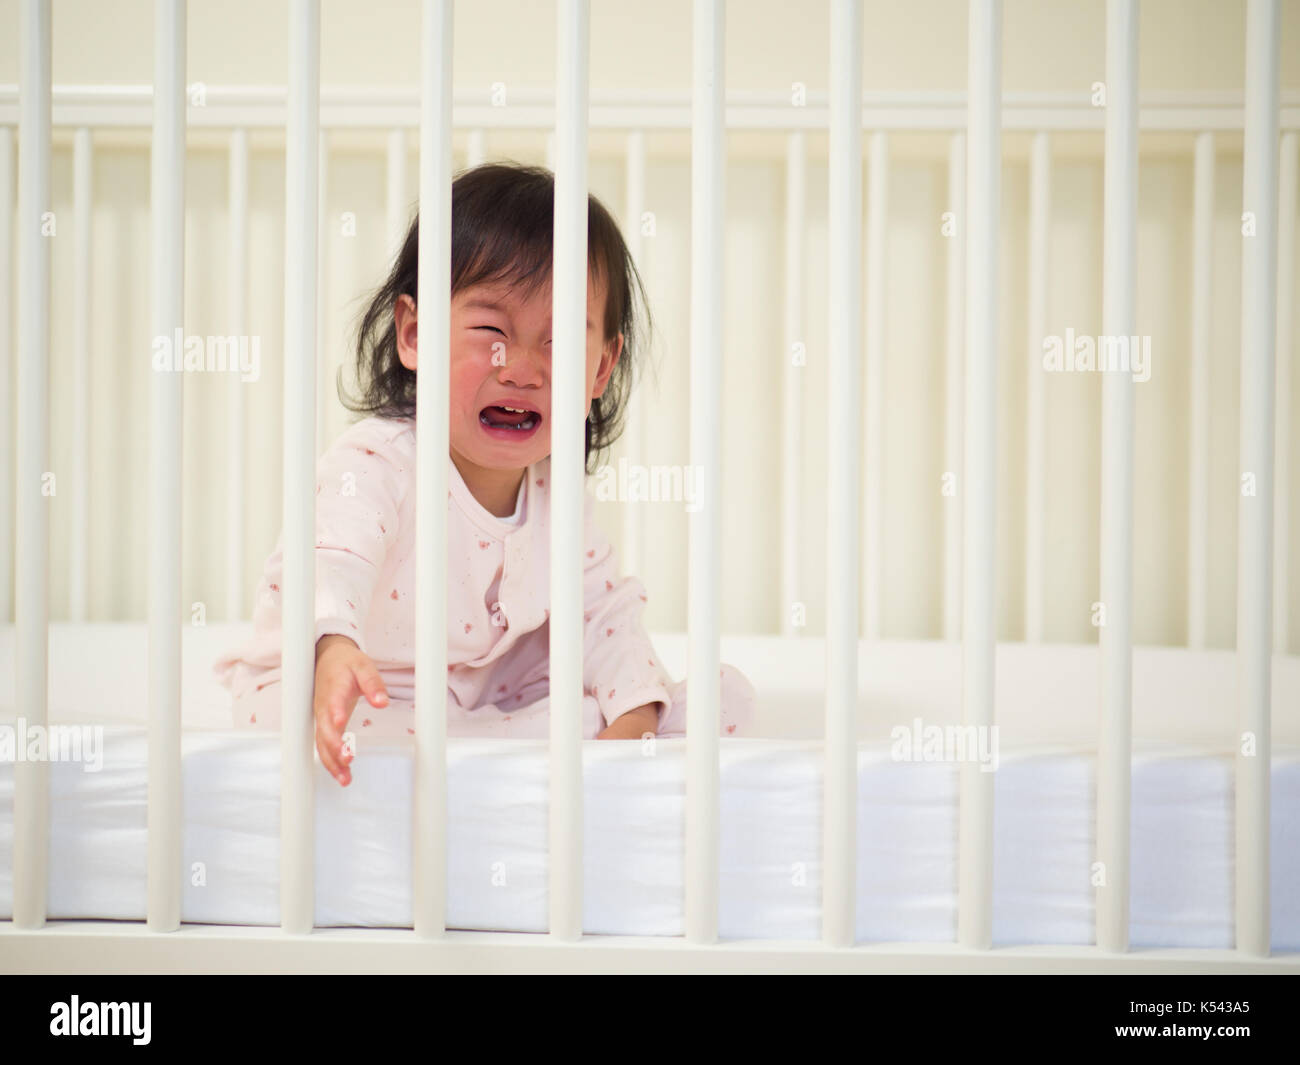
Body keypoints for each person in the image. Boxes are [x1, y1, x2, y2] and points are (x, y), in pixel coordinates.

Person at [212, 162, 756, 786]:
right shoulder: (379, 462)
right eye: (492, 333)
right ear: (414, 335)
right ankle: (534, 751)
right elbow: (331, 559)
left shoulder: (559, 497)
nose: (522, 368)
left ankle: (558, 751)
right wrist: (334, 648)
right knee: (306, 720)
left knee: (725, 696)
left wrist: (631, 720)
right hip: (362, 689)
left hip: (485, 705)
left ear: (601, 370)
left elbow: (604, 617)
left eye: (560, 343)